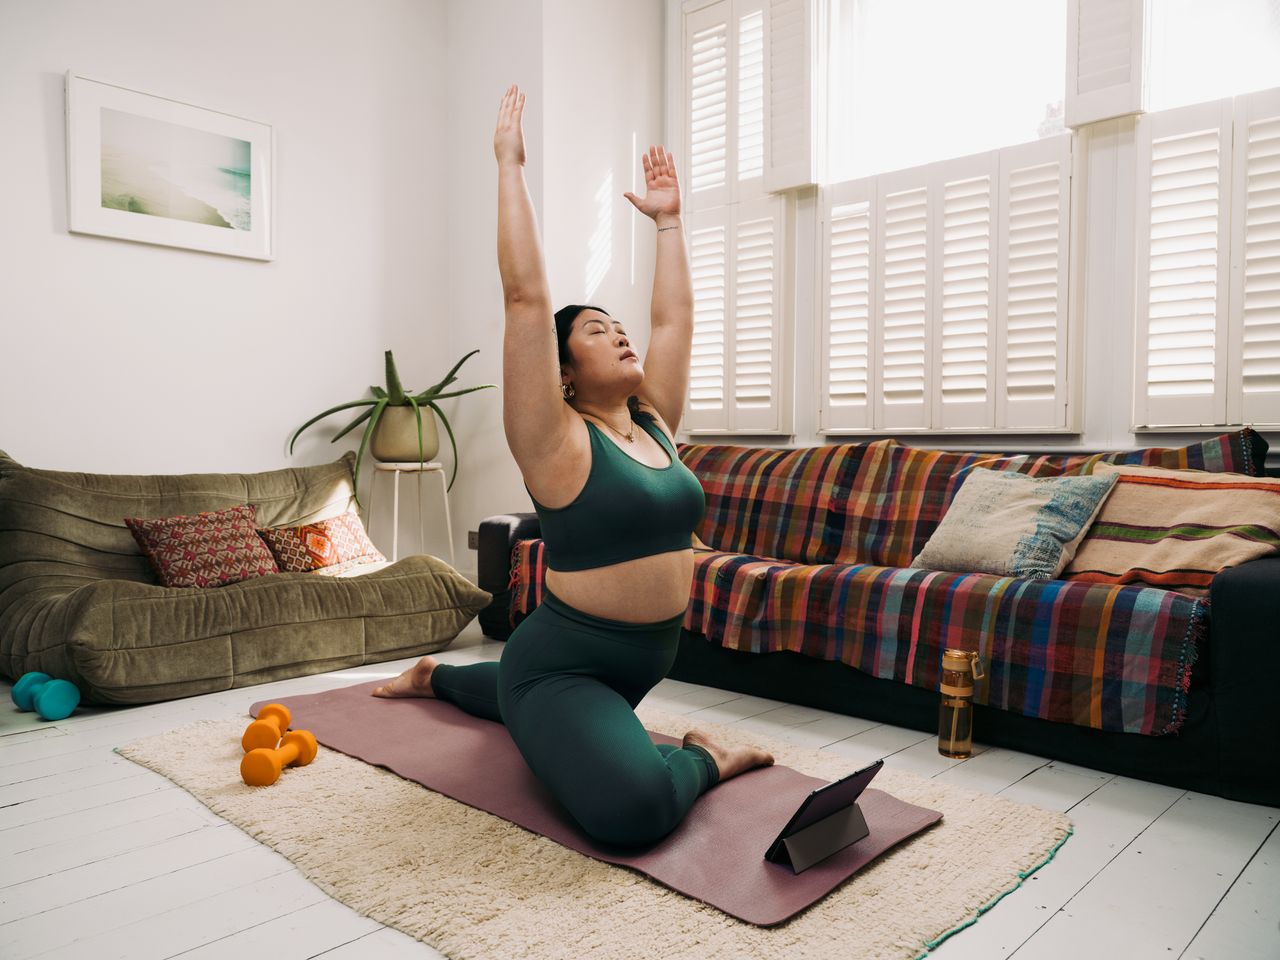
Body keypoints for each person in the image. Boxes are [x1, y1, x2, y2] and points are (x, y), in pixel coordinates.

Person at [371, 83, 773, 849]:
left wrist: (670, 224)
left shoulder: (655, 422)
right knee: (634, 812)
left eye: (618, 326)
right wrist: (508, 166)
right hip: (561, 668)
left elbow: (673, 318)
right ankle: (708, 760)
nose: (622, 334)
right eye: (597, 329)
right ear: (560, 372)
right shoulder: (555, 441)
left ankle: (436, 675)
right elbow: (525, 297)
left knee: (519, 707)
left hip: (632, 672)